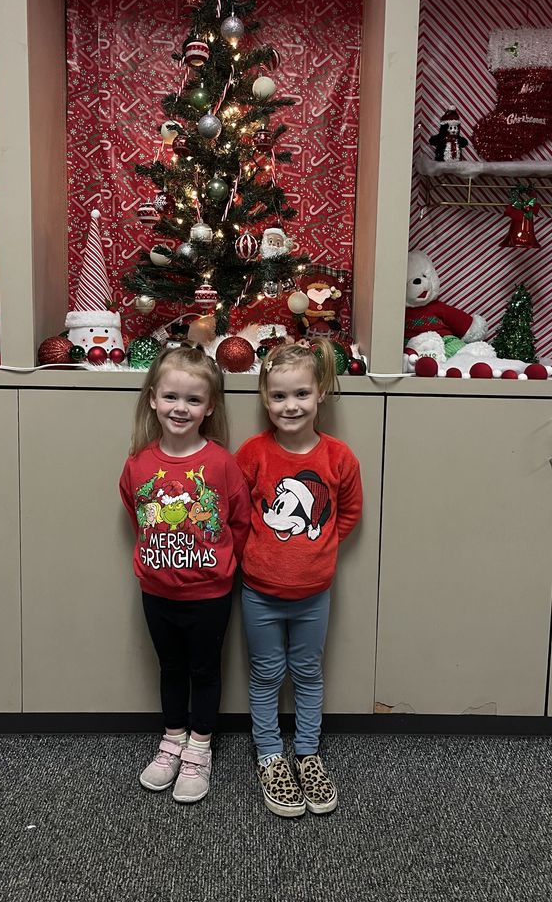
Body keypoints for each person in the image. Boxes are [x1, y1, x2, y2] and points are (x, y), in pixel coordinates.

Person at [236, 342, 363, 818]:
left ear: (321, 394)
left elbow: (348, 512)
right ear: (265, 399)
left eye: (301, 394)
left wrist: (322, 544)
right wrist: (258, 552)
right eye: (278, 396)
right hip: (259, 593)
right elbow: (238, 513)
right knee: (266, 673)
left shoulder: (338, 457)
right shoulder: (252, 453)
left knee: (307, 672)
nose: (290, 406)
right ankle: (270, 756)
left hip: (314, 594)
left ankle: (307, 753)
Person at [119, 345, 251, 804]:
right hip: (156, 591)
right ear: (153, 398)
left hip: (209, 594)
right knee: (170, 668)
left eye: (194, 400)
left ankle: (199, 748)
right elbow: (137, 514)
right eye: (172, 397)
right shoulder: (138, 463)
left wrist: (217, 562)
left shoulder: (220, 463)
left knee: (204, 670)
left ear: (210, 406)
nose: (181, 408)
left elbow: (239, 521)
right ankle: (172, 741)